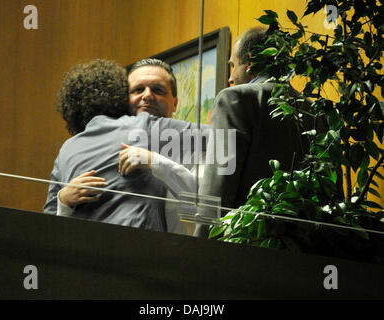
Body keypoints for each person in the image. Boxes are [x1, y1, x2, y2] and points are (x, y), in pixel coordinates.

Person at [43, 59, 205, 232]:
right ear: (123, 100)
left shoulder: (197, 149)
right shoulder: (75, 148)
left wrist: (156, 162)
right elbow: (47, 227)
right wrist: (63, 201)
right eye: (138, 90)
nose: (147, 96)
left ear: (175, 102)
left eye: (158, 90)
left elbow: (209, 207)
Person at [194, 27, 312, 237]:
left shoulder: (234, 99)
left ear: (250, 62)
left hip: (244, 244)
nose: (230, 78)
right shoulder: (317, 112)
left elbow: (219, 185)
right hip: (304, 249)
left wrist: (201, 245)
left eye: (233, 66)